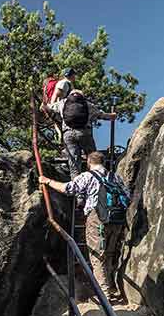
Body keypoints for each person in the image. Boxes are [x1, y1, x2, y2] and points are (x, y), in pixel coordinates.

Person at [39, 151, 129, 301]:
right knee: (109, 254)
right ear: (104, 161)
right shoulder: (115, 177)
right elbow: (127, 195)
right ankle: (111, 286)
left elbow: (68, 189)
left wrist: (47, 181)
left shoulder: (88, 176)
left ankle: (104, 295)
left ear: (89, 162)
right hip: (117, 219)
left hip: (97, 219)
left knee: (97, 256)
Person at [48, 90, 116, 179]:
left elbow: (48, 107)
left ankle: (76, 185)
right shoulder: (87, 104)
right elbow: (102, 115)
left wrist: (46, 106)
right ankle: (96, 180)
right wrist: (113, 115)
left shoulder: (63, 103)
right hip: (84, 133)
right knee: (93, 157)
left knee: (74, 163)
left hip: (68, 134)